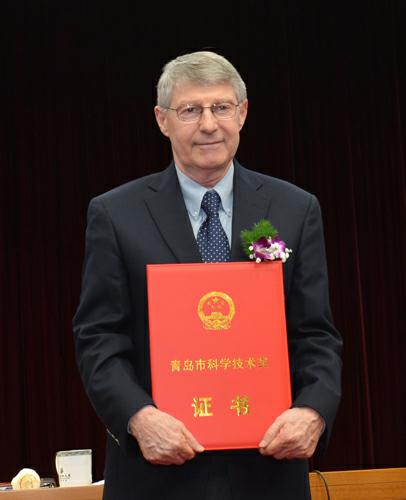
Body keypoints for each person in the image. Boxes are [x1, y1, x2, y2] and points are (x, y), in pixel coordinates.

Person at [73, 51, 342, 500]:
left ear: (243, 113)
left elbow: (316, 334)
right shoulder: (116, 214)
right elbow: (98, 337)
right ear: (162, 120)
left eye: (221, 107)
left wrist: (313, 411)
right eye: (190, 110)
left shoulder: (295, 209)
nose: (209, 124)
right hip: (156, 475)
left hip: (268, 473)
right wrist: (139, 417)